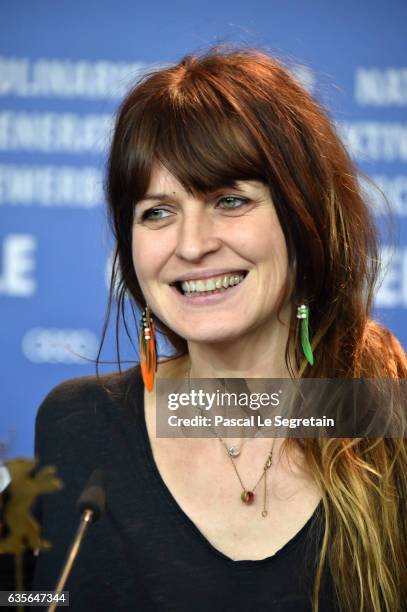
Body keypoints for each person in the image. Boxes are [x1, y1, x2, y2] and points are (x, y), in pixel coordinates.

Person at [28, 46, 406, 611]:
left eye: (229, 200)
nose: (192, 244)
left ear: (304, 221)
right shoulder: (76, 427)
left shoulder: (390, 421)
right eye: (157, 211)